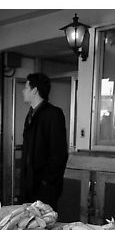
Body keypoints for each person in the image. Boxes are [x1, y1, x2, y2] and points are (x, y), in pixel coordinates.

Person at [20, 73, 68, 211]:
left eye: (26, 87)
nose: (23, 91)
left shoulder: (54, 114)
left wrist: (46, 181)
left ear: (34, 90)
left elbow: (59, 154)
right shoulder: (31, 114)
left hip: (44, 186)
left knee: (45, 225)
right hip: (29, 184)